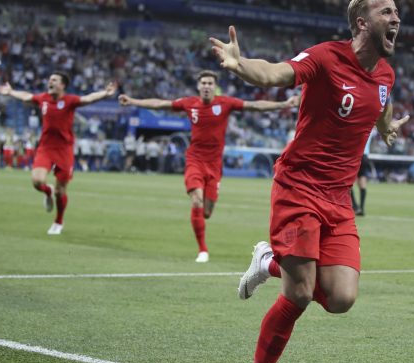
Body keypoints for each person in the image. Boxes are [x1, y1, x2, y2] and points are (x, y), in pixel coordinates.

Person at [210, 0, 407, 363]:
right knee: (298, 293)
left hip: (338, 199)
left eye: (396, 12)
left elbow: (382, 103)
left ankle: (268, 261)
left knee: (341, 298)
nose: (396, 18)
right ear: (362, 23)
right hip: (299, 186)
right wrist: (241, 66)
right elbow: (274, 73)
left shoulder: (386, 75)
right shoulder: (326, 57)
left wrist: (385, 127)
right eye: (386, 11)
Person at [119, 70, 299, 263]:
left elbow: (254, 105)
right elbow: (160, 103)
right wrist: (133, 101)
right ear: (199, 86)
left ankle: (204, 217)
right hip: (195, 161)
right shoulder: (190, 104)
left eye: (210, 83)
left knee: (207, 211)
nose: (206, 86)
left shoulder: (225, 103)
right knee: (196, 199)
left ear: (215, 87)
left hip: (214, 165)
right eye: (203, 83)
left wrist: (283, 104)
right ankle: (202, 250)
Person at [0, 74, 117, 235]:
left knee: (61, 191)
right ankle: (48, 191)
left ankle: (58, 221)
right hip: (46, 148)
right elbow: (26, 96)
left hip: (64, 150)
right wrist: (11, 92)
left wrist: (105, 93)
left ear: (62, 86)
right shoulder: (43, 98)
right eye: (50, 79)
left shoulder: (70, 101)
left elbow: (88, 99)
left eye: (54, 80)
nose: (50, 82)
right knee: (37, 181)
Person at [351, 127, 375, 216]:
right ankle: (361, 208)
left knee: (349, 182)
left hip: (355, 154)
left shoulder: (360, 126)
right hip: (365, 156)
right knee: (362, 180)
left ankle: (355, 206)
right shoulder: (372, 129)